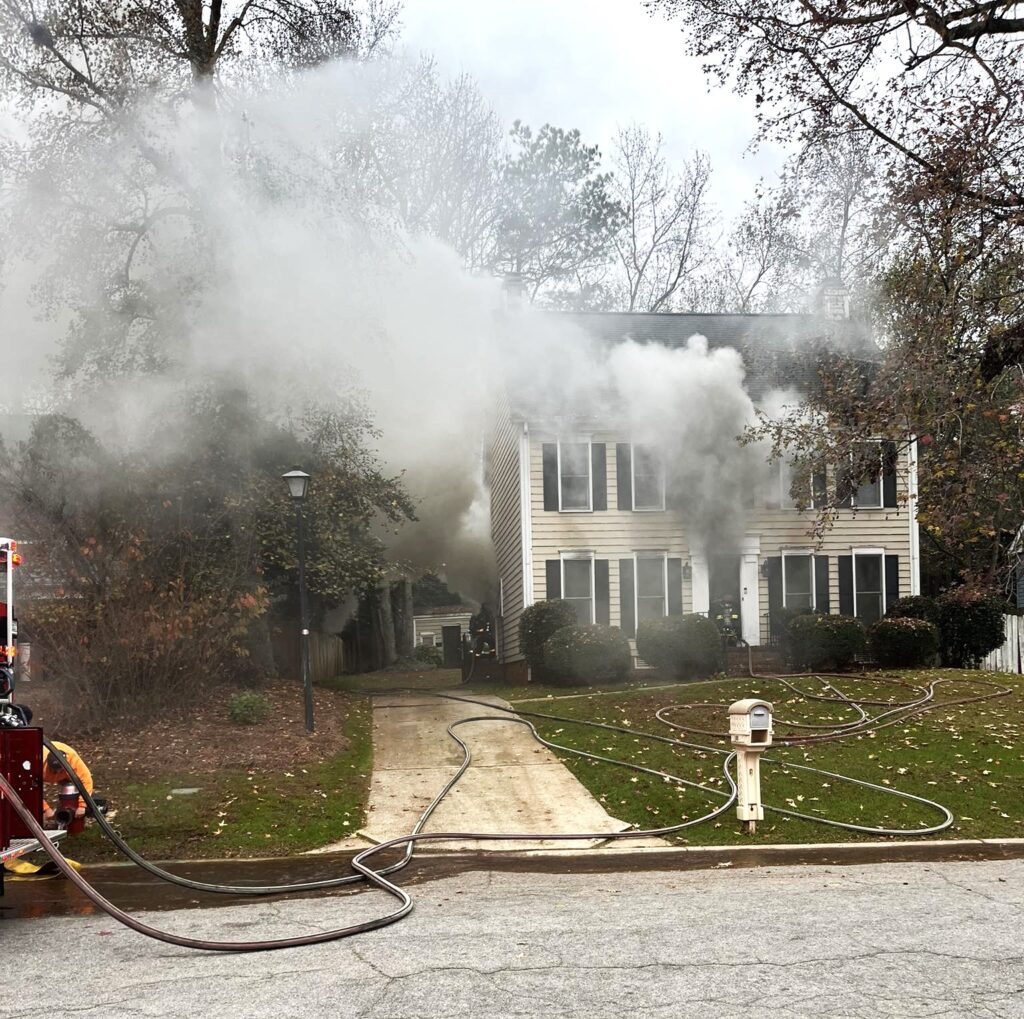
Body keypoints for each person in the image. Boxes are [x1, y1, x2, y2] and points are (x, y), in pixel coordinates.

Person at [41, 741, 94, 822]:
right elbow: (31, 790)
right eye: (54, 771)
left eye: (60, 770)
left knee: (75, 790)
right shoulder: (37, 765)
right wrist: (45, 809)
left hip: (67, 772)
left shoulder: (73, 760)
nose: (58, 772)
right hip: (42, 769)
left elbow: (86, 780)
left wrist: (82, 805)